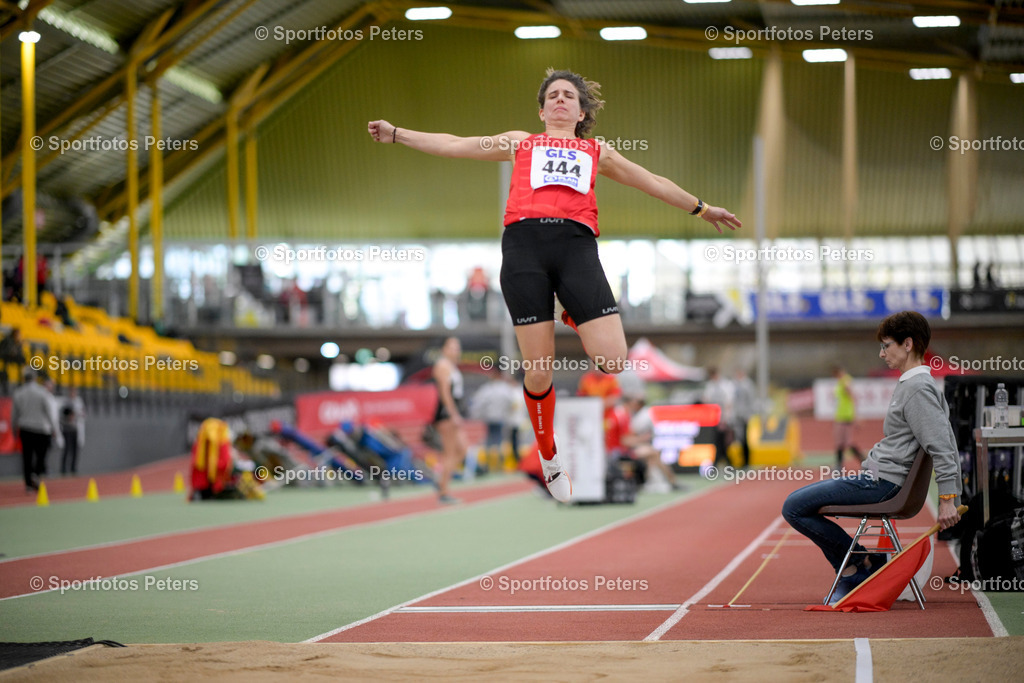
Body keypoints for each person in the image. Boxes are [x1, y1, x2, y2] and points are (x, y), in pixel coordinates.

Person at [369, 69, 740, 503]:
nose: (560, 100)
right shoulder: (518, 143)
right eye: (553, 96)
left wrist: (702, 208)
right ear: (542, 110)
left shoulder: (597, 151)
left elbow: (653, 182)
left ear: (581, 112)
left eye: (569, 96)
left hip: (575, 249)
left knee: (614, 360)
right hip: (524, 251)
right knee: (539, 369)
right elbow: (455, 144)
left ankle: (571, 312)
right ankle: (549, 455)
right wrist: (397, 134)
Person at [782, 311, 963, 604]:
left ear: (908, 344)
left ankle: (856, 568)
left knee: (793, 507)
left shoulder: (917, 388)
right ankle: (866, 564)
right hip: (878, 478)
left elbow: (943, 445)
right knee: (798, 504)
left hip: (883, 485)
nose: (881, 353)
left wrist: (947, 499)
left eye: (886, 345)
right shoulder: (915, 384)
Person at [11, 369, 64, 492]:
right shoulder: (42, 392)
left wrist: (14, 431)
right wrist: (55, 429)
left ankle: (28, 484)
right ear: (35, 378)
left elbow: (14, 415)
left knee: (27, 457)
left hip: (25, 428)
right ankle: (36, 474)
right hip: (41, 429)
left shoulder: (18, 393)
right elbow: (49, 413)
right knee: (41, 455)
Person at [431, 337, 468, 504]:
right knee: (450, 452)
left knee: (462, 449)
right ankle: (444, 491)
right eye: (452, 347)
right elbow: (444, 392)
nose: (456, 351)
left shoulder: (451, 366)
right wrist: (453, 414)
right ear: (444, 349)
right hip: (446, 414)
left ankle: (441, 480)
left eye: (457, 347)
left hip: (452, 411)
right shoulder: (442, 365)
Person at [833, 365, 864, 471]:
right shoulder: (842, 381)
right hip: (842, 415)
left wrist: (856, 416)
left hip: (846, 416)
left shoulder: (844, 381)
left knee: (846, 443)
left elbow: (852, 397)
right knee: (842, 442)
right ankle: (839, 466)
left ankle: (864, 461)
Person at [702, 367, 734, 467]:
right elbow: (706, 400)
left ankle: (724, 461)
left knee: (725, 441)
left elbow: (728, 402)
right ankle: (722, 461)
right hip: (714, 419)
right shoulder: (710, 386)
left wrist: (726, 418)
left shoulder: (725, 385)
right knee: (717, 441)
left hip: (724, 419)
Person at [732, 368, 756, 468]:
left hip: (744, 415)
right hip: (737, 415)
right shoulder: (735, 384)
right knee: (739, 438)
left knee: (744, 438)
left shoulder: (748, 385)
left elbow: (751, 400)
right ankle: (741, 460)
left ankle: (747, 461)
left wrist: (749, 414)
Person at [59, 386, 86, 475]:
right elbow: (61, 415)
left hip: (75, 429)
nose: (73, 394)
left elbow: (83, 414)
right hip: (67, 429)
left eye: (74, 392)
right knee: (67, 449)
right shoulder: (65, 402)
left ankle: (73, 468)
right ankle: (63, 468)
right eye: (71, 392)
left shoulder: (79, 402)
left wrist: (76, 415)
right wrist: (68, 416)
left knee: (75, 450)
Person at [0, 328, 26, 394]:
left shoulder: (18, 341)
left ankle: (20, 381)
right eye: (17, 333)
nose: (18, 335)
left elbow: (19, 353)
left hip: (13, 357)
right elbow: (4, 350)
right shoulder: (7, 340)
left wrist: (19, 345)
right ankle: (4, 381)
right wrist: (11, 352)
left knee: (21, 360)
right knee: (5, 367)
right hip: (6, 356)